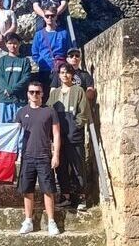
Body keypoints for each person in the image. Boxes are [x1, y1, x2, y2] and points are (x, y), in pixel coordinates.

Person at [14, 81, 61, 236]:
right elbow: (13, 134)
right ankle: (28, 221)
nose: (35, 94)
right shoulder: (21, 112)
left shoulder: (50, 111)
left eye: (38, 92)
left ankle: (51, 222)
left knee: (48, 190)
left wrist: (56, 155)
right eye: (32, 92)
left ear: (42, 94)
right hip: (27, 157)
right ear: (28, 94)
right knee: (27, 190)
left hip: (44, 157)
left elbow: (56, 134)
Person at [47, 63, 89, 211]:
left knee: (78, 166)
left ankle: (81, 197)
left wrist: (76, 126)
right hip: (59, 137)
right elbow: (48, 111)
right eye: (62, 72)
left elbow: (83, 113)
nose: (65, 75)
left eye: (67, 72)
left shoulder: (78, 91)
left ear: (72, 75)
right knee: (61, 167)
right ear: (58, 75)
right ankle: (65, 196)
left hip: (74, 136)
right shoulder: (54, 93)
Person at [31, 6, 72, 100]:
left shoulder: (63, 33)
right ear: (44, 17)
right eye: (47, 16)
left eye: (52, 16)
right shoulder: (39, 35)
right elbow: (35, 53)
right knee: (44, 97)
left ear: (56, 17)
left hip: (60, 70)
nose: (49, 18)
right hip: (44, 70)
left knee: (60, 97)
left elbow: (68, 50)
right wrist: (41, 61)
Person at [0, 32, 31, 123]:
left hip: (20, 100)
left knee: (20, 126)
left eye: (15, 43)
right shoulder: (1, 61)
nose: (13, 46)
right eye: (10, 43)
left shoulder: (25, 61)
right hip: (5, 99)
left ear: (19, 43)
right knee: (5, 128)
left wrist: (12, 90)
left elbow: (26, 78)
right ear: (6, 44)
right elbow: (0, 78)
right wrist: (7, 89)